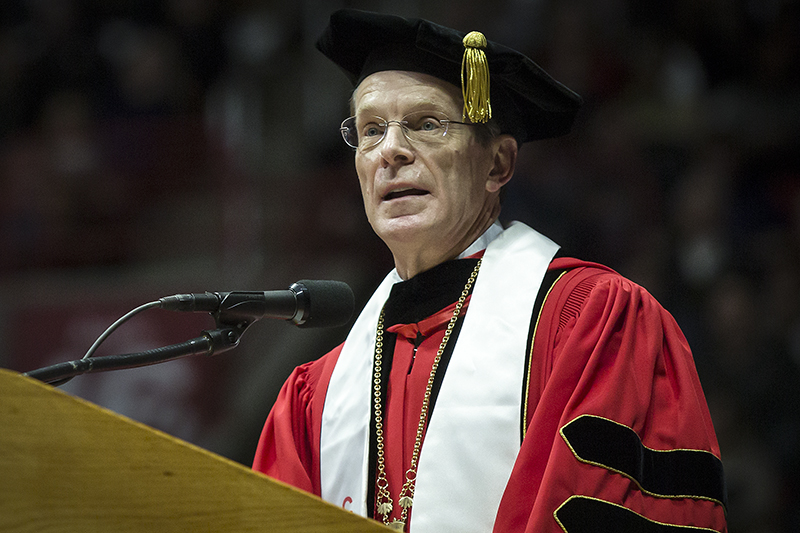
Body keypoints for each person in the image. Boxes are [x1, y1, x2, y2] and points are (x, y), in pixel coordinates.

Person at [252, 9, 728, 533]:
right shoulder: (315, 400)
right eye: (370, 131)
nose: (390, 151)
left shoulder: (589, 324)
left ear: (498, 165)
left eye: (426, 124)